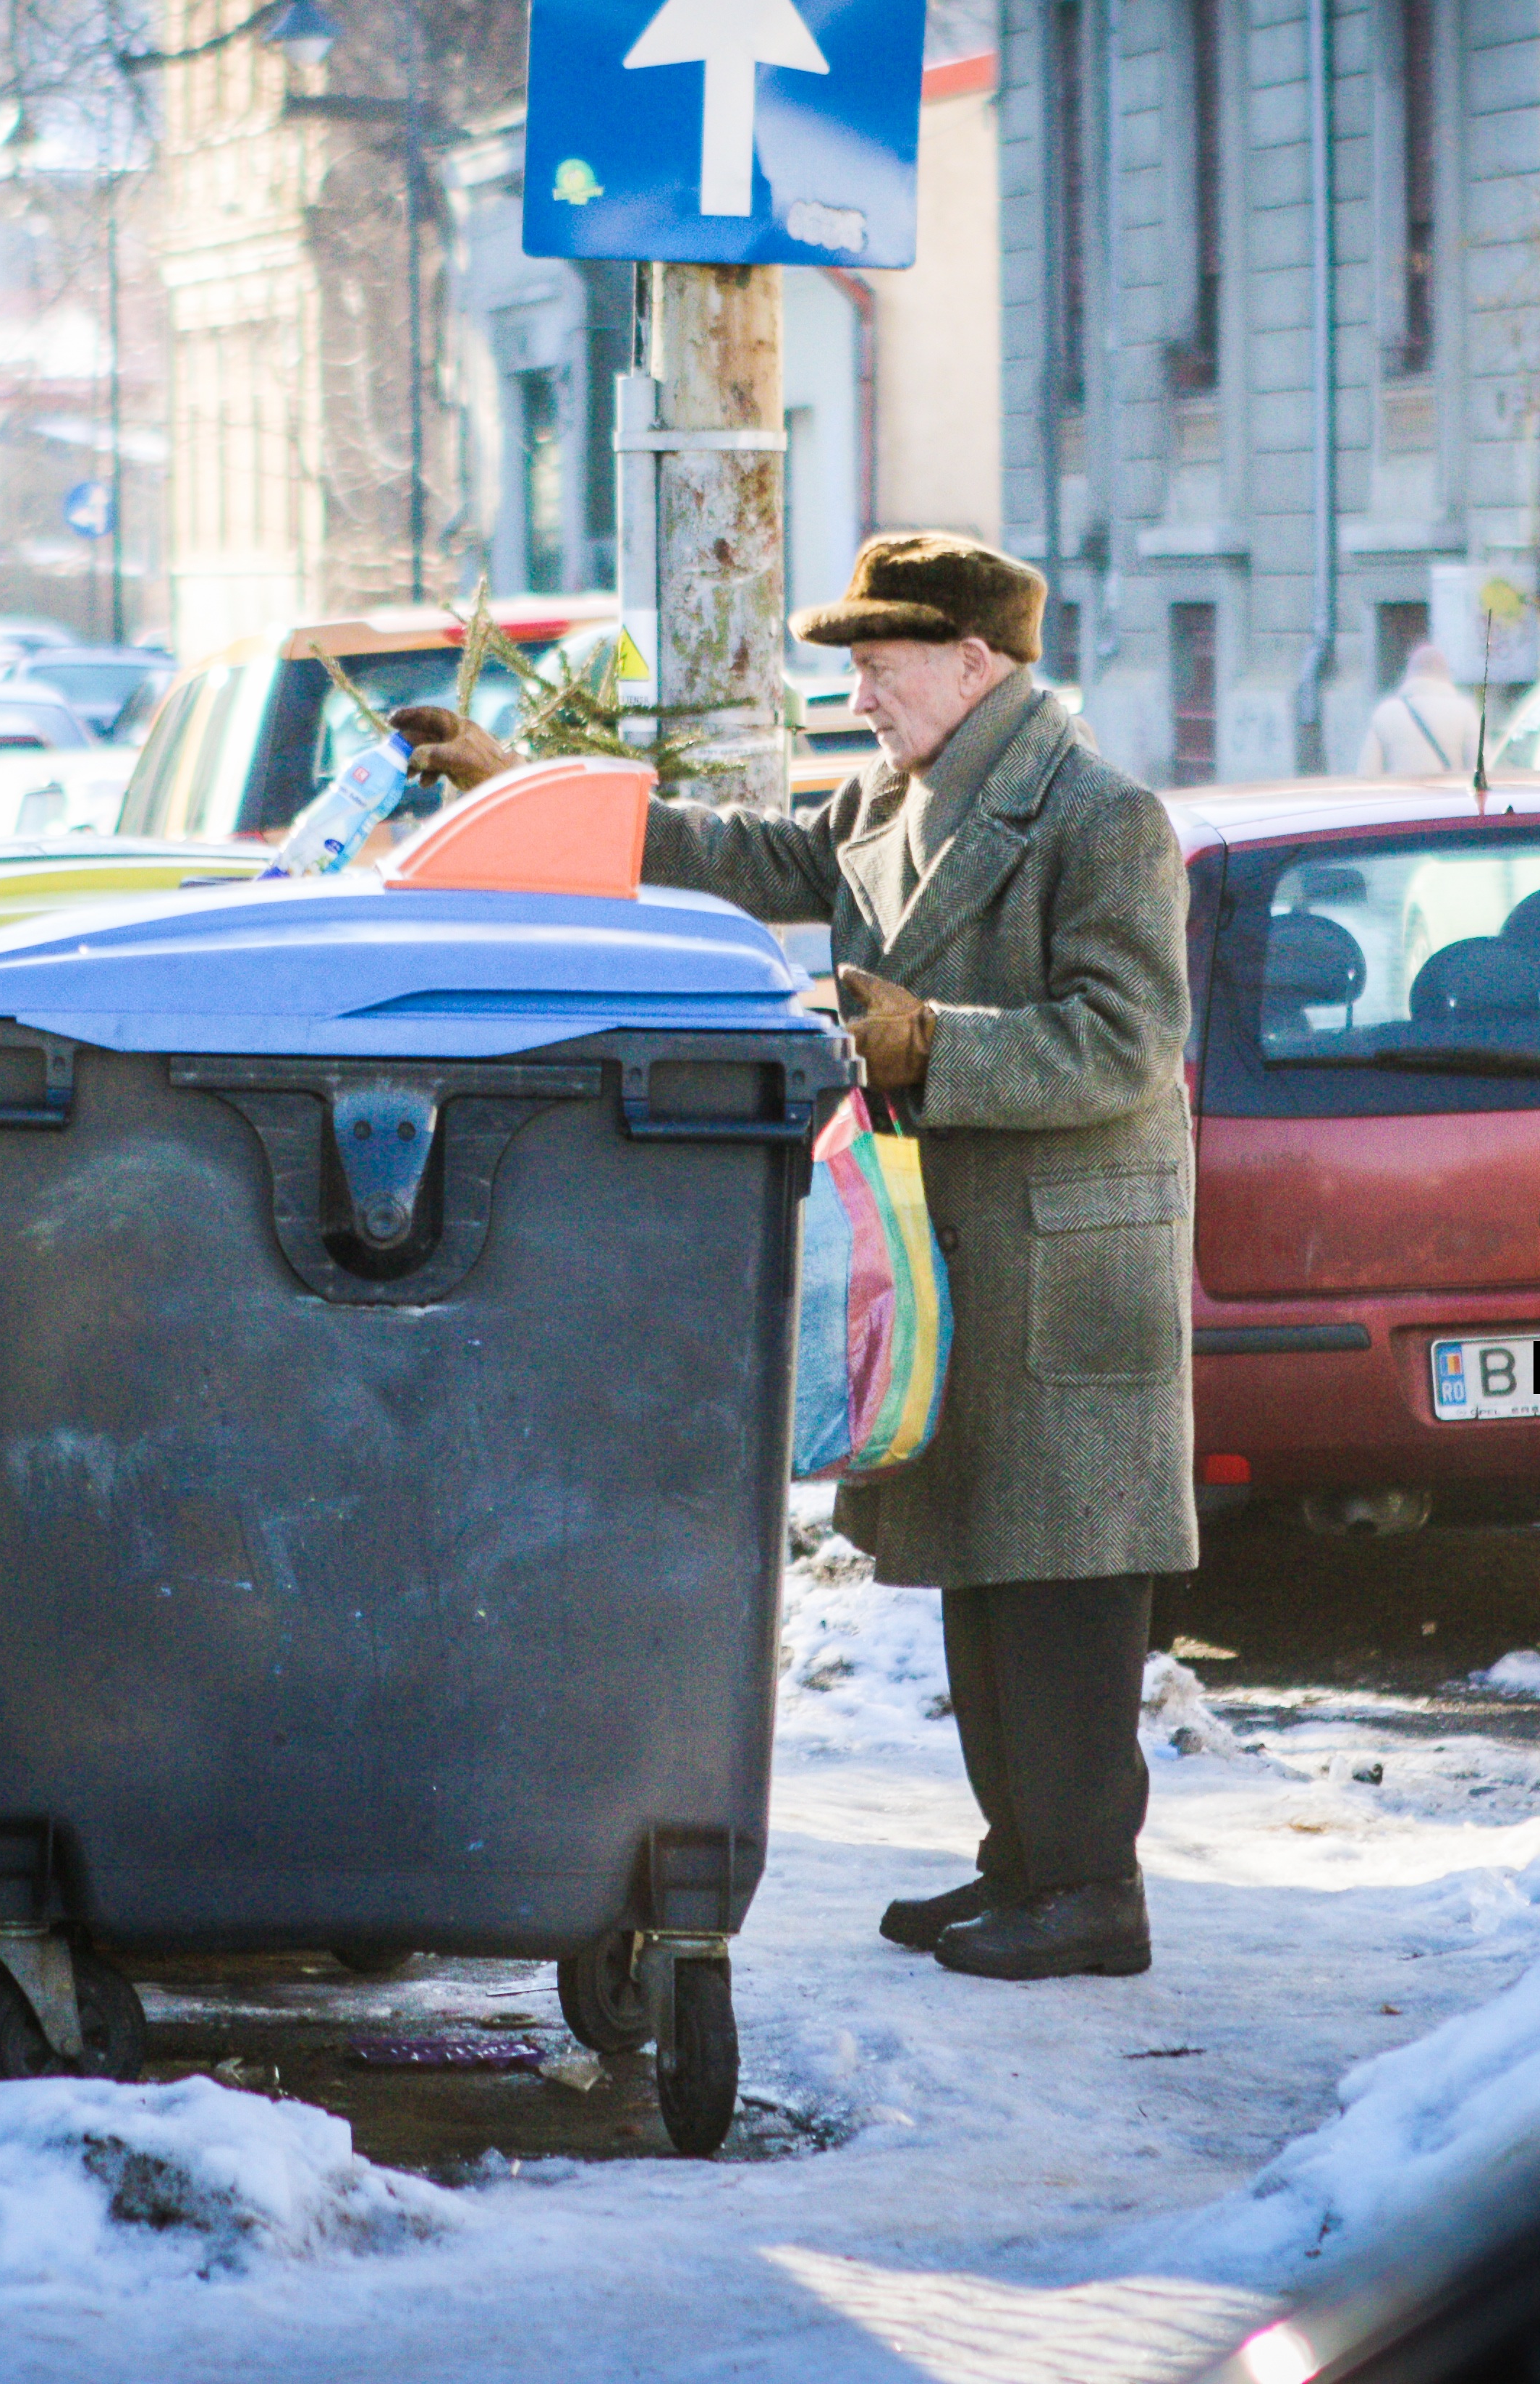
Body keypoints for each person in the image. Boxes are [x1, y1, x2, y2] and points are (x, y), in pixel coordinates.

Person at [394, 532, 1193, 1983]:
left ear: (978, 661)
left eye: (882, 670)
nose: (864, 698)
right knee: (986, 1575)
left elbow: (1129, 1043)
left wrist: (937, 1042)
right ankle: (1021, 1865)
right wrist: (522, 787)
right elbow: (745, 855)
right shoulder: (898, 792)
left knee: (1067, 1586)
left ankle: (1093, 1895)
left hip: (1062, 1268)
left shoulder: (1102, 815)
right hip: (964, 1259)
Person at [1359, 640, 1481, 775]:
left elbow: (1368, 772)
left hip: (1404, 795)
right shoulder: (1464, 712)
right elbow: (1480, 767)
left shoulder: (1385, 713)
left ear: (1410, 673)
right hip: (1448, 795)